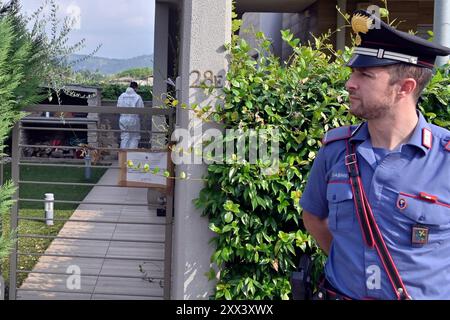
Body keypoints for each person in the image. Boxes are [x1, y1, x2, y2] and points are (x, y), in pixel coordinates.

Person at [300, 10, 450, 300]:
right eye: (353, 72)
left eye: (365, 74)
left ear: (405, 88)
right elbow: (314, 218)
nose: (349, 83)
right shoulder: (335, 151)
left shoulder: (445, 159)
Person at [117, 81, 144, 149]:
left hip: (123, 119)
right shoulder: (137, 97)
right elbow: (141, 109)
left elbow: (118, 107)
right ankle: (131, 156)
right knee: (134, 137)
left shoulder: (121, 96)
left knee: (124, 137)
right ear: (136, 88)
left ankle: (123, 156)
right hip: (133, 119)